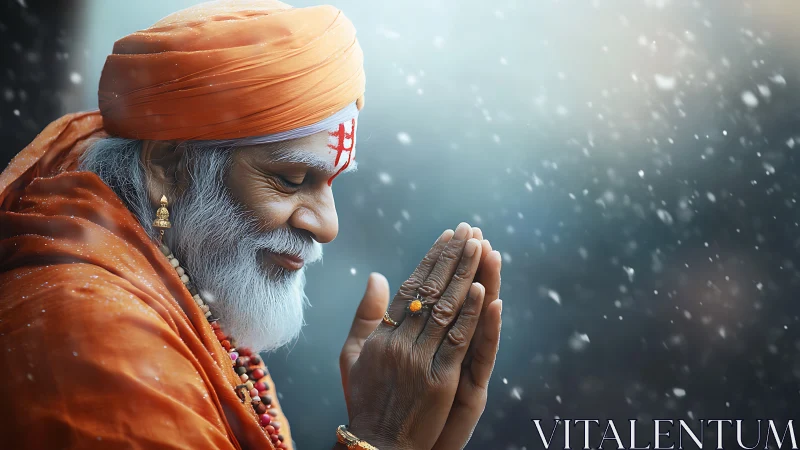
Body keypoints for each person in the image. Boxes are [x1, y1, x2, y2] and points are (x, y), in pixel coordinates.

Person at [0, 1, 503, 449]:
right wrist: (383, 437)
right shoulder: (96, 331)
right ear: (167, 168)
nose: (327, 226)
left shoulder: (179, 293)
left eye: (331, 183)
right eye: (291, 179)